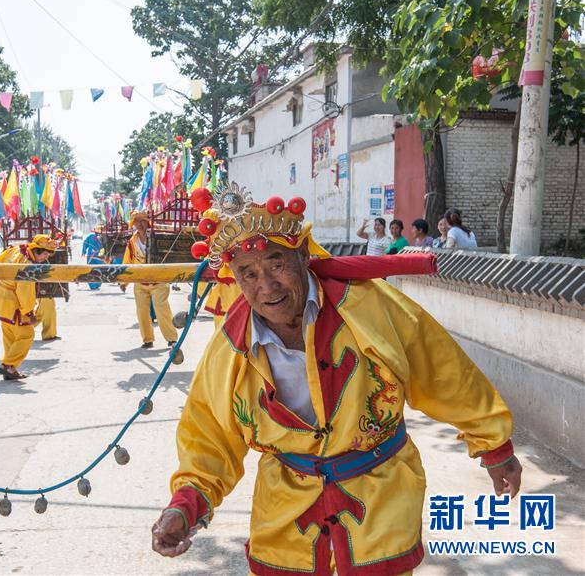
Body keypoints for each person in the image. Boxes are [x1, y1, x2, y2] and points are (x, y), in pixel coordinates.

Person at [151, 187, 521, 575]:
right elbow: (209, 438)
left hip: (380, 500)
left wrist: (495, 446)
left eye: (276, 265)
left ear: (304, 257)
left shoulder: (367, 308)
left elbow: (444, 372)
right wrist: (185, 505)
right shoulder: (230, 346)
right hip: (286, 514)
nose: (266, 286)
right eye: (248, 273)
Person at [0, 234, 57, 380]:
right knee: (26, 334)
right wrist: (29, 313)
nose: (45, 257)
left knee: (10, 335)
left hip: (1, 296)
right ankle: (8, 365)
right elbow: (24, 291)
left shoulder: (16, 249)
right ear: (37, 250)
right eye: (44, 254)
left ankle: (11, 369)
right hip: (14, 303)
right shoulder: (28, 265)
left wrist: (0, 282)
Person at [122, 211, 178, 349]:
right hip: (140, 281)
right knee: (142, 311)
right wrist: (124, 281)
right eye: (137, 222)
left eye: (142, 221)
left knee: (161, 308)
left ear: (148, 222)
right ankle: (148, 339)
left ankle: (171, 338)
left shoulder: (158, 237)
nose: (140, 224)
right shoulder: (131, 242)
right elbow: (127, 261)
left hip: (159, 280)